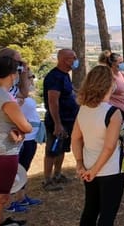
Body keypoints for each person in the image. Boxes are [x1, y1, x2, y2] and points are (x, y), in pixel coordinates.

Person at [71, 65, 124, 226]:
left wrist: (80, 164)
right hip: (110, 169)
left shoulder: (83, 109)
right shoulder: (113, 113)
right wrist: (94, 171)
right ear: (109, 85)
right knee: (107, 214)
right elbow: (109, 147)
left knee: (90, 209)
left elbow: (75, 138)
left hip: (88, 166)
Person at [0, 56, 32, 226]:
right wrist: (23, 129)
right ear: (13, 74)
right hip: (5, 152)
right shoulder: (4, 97)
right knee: (1, 198)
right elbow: (26, 127)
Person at [43, 48, 81, 191]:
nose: (76, 60)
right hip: (58, 120)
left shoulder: (65, 75)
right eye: (74, 57)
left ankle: (57, 175)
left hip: (69, 120)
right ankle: (47, 180)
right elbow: (53, 102)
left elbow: (69, 91)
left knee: (62, 149)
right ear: (65, 60)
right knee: (52, 150)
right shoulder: (54, 77)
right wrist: (57, 124)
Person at [8, 70, 43, 213]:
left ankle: (21, 197)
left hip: (30, 137)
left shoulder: (24, 94)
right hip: (20, 138)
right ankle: (10, 201)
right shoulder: (13, 94)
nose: (32, 79)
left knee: (23, 169)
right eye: (29, 77)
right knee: (14, 171)